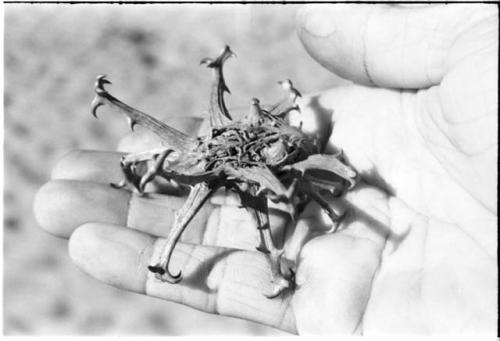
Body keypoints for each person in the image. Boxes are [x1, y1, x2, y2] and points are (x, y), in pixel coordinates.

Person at [34, 4, 497, 334]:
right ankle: (150, 191)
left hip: (243, 159)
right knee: (172, 167)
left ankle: (171, 217)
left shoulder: (265, 157)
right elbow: (271, 165)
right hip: (226, 157)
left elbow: (288, 166)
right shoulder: (229, 150)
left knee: (226, 199)